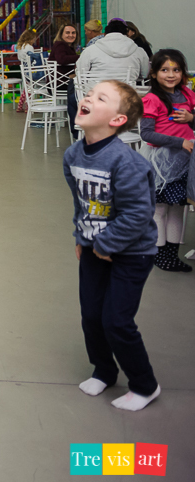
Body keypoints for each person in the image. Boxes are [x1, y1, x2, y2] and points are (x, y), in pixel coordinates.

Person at [65, 80, 161, 412]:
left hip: (132, 252)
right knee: (91, 315)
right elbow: (82, 203)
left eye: (100, 97)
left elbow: (138, 214)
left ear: (117, 120)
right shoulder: (73, 154)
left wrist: (105, 243)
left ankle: (145, 384)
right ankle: (104, 370)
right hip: (94, 247)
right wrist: (82, 238)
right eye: (89, 93)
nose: (88, 97)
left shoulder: (126, 162)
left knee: (116, 320)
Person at [140, 50, 194, 272]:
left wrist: (192, 118)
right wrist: (178, 141)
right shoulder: (151, 99)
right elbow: (147, 134)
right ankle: (159, 254)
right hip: (161, 163)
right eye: (165, 70)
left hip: (185, 162)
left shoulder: (188, 95)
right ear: (153, 73)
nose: (171, 74)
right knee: (159, 209)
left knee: (176, 209)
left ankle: (172, 254)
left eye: (176, 70)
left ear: (183, 73)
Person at [76, 20, 150, 83]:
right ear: (127, 34)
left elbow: (80, 73)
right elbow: (144, 74)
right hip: (126, 95)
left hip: (96, 94)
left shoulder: (91, 50)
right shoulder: (139, 51)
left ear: (105, 34)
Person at [53, 23, 81, 138]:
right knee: (80, 94)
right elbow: (62, 59)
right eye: (68, 32)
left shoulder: (67, 47)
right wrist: (81, 56)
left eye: (73, 33)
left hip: (62, 82)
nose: (71, 35)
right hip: (61, 84)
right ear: (61, 34)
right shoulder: (60, 45)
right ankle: (77, 129)